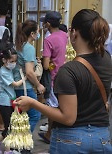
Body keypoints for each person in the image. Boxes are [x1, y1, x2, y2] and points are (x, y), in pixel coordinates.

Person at [14, 9, 112, 153]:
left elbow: (68, 118)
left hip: (72, 140)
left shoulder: (68, 71)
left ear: (74, 33)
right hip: (102, 137)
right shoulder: (107, 59)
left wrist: (33, 103)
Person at [38, 11, 68, 144]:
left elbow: (45, 65)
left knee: (52, 108)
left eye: (44, 22)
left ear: (48, 24)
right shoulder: (65, 35)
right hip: (67, 75)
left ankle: (50, 134)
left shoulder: (49, 40)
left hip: (54, 77)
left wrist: (43, 61)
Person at [14, 20, 45, 133]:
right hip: (25, 87)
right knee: (35, 115)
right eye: (37, 31)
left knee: (21, 117)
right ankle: (23, 142)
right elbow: (29, 72)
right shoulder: (28, 48)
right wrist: (39, 85)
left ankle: (15, 143)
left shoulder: (19, 45)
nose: (38, 34)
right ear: (32, 34)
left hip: (19, 85)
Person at [0, 48, 24, 154]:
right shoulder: (3, 72)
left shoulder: (8, 70)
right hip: (4, 102)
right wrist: (26, 77)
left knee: (10, 126)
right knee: (9, 126)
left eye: (15, 61)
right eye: (11, 61)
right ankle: (7, 150)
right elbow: (15, 84)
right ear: (4, 60)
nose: (13, 63)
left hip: (10, 100)